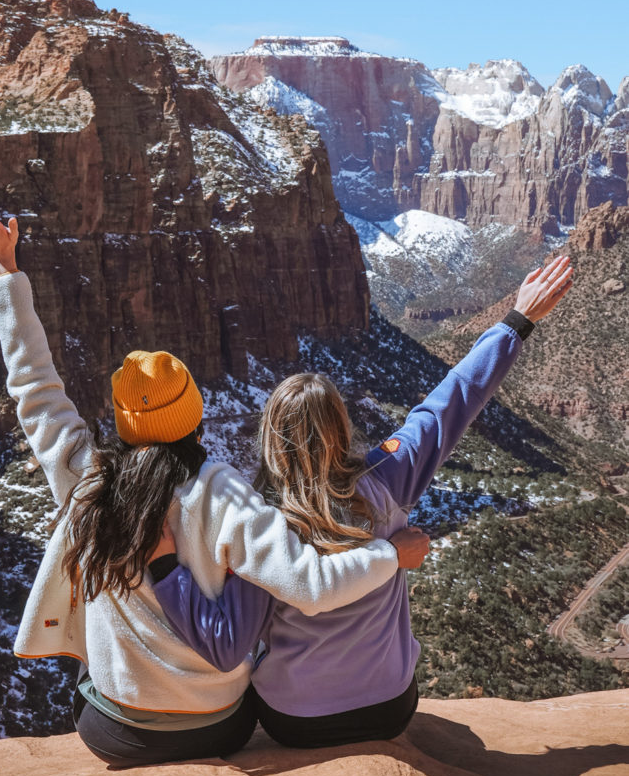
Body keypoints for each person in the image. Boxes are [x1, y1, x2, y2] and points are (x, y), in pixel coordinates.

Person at [0, 196, 431, 767]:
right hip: (214, 727)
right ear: (195, 418)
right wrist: (390, 556)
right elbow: (313, 587)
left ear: (125, 422)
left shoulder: (86, 476)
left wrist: (7, 272)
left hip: (116, 729)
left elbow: (34, 389)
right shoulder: (222, 493)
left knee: (86, 681)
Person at [147, 257, 574, 747]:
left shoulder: (260, 522)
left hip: (294, 721)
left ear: (269, 439)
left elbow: (228, 642)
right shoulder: (389, 477)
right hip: (389, 709)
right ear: (342, 428)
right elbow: (453, 399)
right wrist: (517, 321)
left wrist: (163, 568)